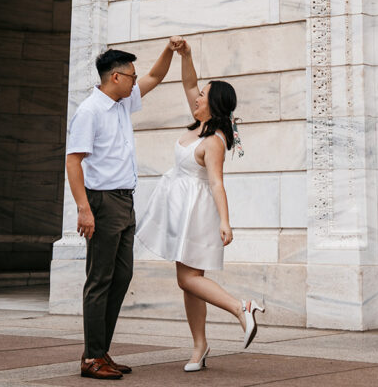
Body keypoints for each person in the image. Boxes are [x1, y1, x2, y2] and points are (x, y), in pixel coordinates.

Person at [136, 37, 264, 372]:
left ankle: (241, 307)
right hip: (180, 209)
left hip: (197, 212)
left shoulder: (215, 140)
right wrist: (187, 54)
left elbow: (217, 183)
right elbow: (190, 81)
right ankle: (199, 346)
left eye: (203, 96)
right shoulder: (201, 123)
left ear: (214, 104)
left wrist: (226, 221)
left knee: (188, 279)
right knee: (190, 281)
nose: (196, 97)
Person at [66, 42, 177, 380]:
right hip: (101, 202)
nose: (135, 81)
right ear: (115, 76)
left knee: (121, 275)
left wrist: (171, 51)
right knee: (99, 279)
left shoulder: (121, 102)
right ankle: (92, 358)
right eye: (131, 76)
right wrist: (84, 209)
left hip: (124, 201)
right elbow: (73, 161)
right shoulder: (90, 111)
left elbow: (157, 75)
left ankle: (98, 352)